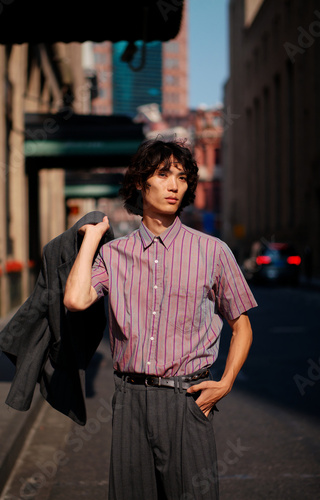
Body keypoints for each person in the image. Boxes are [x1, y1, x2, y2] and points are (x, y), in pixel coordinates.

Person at [64, 138, 257, 500]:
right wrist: (92, 239)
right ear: (141, 181)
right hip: (130, 400)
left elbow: (241, 325)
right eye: (163, 174)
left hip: (188, 400)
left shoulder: (212, 251)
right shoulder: (114, 254)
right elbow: (75, 300)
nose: (173, 185)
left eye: (182, 178)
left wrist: (227, 382)